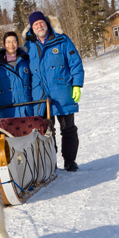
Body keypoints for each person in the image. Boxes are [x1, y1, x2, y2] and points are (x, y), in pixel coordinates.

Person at [24, 11, 84, 172]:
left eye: (41, 23)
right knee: (46, 132)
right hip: (40, 96)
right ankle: (51, 163)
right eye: (35, 24)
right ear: (32, 27)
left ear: (46, 23)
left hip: (62, 91)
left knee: (68, 129)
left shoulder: (62, 40)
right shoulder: (27, 45)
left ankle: (70, 161)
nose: (39, 26)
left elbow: (75, 63)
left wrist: (77, 85)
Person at [0, 31, 33, 119]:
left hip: (26, 110)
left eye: (14, 41)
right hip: (8, 112)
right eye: (8, 42)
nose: (11, 44)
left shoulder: (26, 61)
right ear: (4, 45)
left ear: (18, 43)